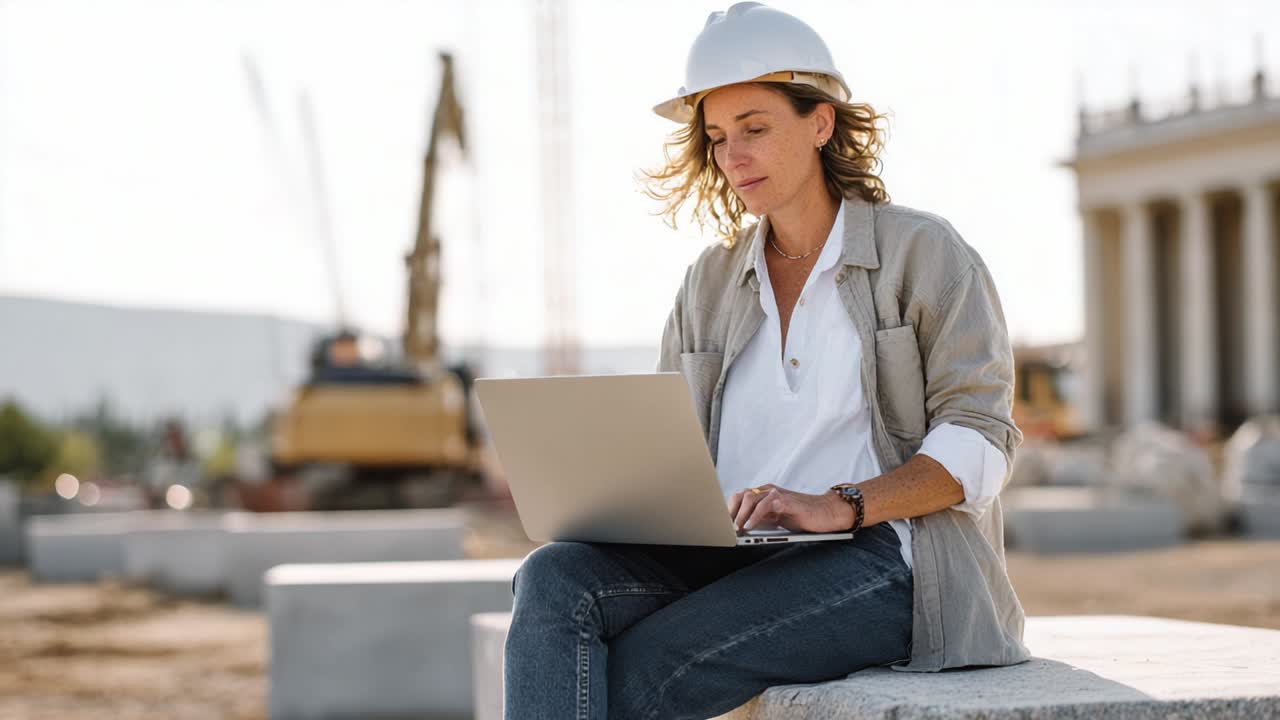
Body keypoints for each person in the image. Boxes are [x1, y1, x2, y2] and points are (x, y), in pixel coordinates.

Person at [503, 3, 1028, 718]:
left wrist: (840, 506)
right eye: (718, 138)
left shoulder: (923, 253)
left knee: (643, 670)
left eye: (754, 129)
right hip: (735, 553)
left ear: (821, 123)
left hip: (886, 561)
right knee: (553, 578)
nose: (733, 157)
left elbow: (982, 440)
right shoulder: (709, 281)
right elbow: (667, 446)